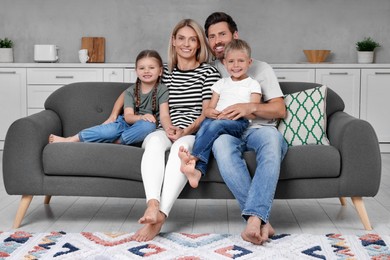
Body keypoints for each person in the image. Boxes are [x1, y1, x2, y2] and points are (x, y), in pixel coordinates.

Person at [107, 19, 220, 242]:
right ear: (173, 41)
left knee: (180, 149)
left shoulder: (209, 72)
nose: (186, 44)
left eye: (192, 39)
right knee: (155, 143)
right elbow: (131, 91)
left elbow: (207, 111)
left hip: (192, 130)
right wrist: (113, 115)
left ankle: (160, 218)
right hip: (163, 127)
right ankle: (152, 204)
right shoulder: (163, 71)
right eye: (181, 38)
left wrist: (185, 130)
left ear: (199, 44)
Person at [204, 12, 289, 245]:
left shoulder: (260, 68)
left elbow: (280, 110)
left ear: (235, 35)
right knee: (220, 145)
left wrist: (248, 106)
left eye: (222, 34)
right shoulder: (209, 71)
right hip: (228, 132)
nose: (218, 40)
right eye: (212, 36)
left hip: (259, 129)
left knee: (272, 142)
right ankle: (261, 220)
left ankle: (254, 220)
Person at [178, 39, 262, 189]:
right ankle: (197, 171)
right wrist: (211, 112)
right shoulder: (221, 83)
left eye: (241, 61)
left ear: (249, 62)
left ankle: (194, 157)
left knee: (214, 125)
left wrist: (234, 112)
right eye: (231, 61)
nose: (235, 65)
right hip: (217, 120)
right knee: (205, 125)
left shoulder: (252, 84)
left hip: (238, 122)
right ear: (224, 63)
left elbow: (253, 112)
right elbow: (209, 109)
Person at [48, 50, 172, 145]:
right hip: (124, 124)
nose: (146, 71)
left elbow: (164, 115)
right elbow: (128, 117)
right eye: (142, 68)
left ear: (160, 71)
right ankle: (71, 139)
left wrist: (169, 129)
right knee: (108, 131)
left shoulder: (162, 90)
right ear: (136, 71)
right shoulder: (131, 91)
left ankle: (117, 142)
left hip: (140, 128)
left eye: (151, 67)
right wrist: (141, 117)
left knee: (149, 126)